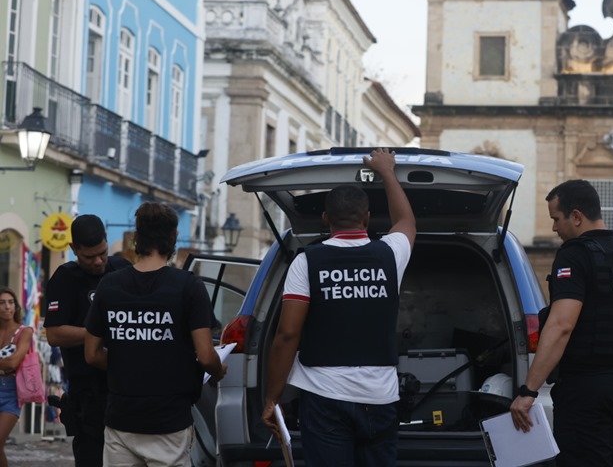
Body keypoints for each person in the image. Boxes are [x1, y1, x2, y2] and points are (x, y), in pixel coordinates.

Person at [261, 147, 416, 467]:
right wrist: (388, 172)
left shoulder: (306, 262)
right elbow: (406, 221)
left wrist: (272, 398)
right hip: (380, 397)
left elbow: (287, 335)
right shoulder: (390, 254)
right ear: (368, 218)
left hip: (324, 399)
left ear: (325, 219)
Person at [510, 179, 613, 467]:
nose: (554, 228)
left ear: (576, 216)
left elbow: (561, 326)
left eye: (556, 219)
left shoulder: (574, 255)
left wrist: (528, 391)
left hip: (586, 390)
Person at [84, 202, 226, 467]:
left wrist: (127, 364)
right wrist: (218, 371)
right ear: (173, 238)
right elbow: (206, 356)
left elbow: (91, 354)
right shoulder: (189, 286)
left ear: (137, 238)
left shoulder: (109, 285)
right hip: (168, 420)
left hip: (120, 418)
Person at [44, 214, 130, 467]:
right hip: (88, 392)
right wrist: (97, 333)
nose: (98, 261)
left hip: (124, 387)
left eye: (102, 253)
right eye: (89, 257)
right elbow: (54, 333)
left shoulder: (123, 269)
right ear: (73, 250)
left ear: (107, 241)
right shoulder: (65, 279)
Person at [0, 288, 33, 467]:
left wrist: (7, 363)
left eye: (11, 302)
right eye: (2, 302)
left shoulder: (24, 331)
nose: (7, 307)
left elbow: (13, 363)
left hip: (11, 392)